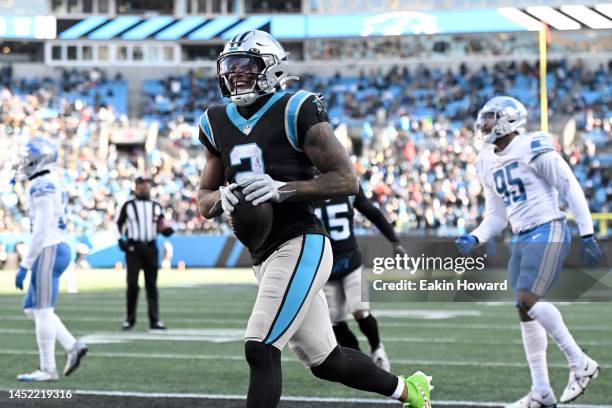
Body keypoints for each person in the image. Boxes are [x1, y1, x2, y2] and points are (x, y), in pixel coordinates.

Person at [197, 30, 432, 408]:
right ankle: (410, 390)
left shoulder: (296, 107)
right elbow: (202, 198)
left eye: (247, 66)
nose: (237, 75)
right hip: (263, 253)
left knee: (260, 346)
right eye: (231, 67)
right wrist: (219, 199)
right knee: (327, 360)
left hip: (301, 241)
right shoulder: (214, 121)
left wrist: (282, 189)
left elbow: (347, 179)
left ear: (272, 68)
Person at [455, 96, 604, 408]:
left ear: (509, 120)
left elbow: (569, 186)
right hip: (521, 236)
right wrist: (475, 237)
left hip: (547, 227)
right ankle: (541, 392)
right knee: (524, 309)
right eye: (484, 118)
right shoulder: (486, 159)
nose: (484, 124)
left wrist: (587, 232)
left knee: (528, 299)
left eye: (491, 118)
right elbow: (496, 215)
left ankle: (580, 362)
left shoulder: (532, 146)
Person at [13, 137, 87, 381]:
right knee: (31, 308)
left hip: (50, 248)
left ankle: (48, 369)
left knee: (43, 310)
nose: (25, 162)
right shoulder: (47, 181)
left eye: (28, 157)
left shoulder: (41, 185)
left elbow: (41, 229)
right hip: (53, 246)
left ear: (40, 158)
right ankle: (71, 345)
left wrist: (25, 264)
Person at [316, 182, 406, 371]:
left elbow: (371, 212)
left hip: (350, 261)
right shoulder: (305, 187)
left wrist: (394, 241)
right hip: (324, 265)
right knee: (336, 321)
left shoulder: (347, 185)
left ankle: (377, 349)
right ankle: (359, 363)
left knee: (360, 311)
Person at [116, 176, 174, 331]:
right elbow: (118, 224)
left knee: (152, 285)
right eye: (142, 187)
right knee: (132, 285)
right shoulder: (128, 206)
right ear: (136, 188)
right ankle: (129, 320)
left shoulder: (156, 205)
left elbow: (161, 223)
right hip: (133, 248)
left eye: (147, 187)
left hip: (151, 248)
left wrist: (166, 229)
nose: (145, 189)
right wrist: (121, 240)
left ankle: (154, 321)